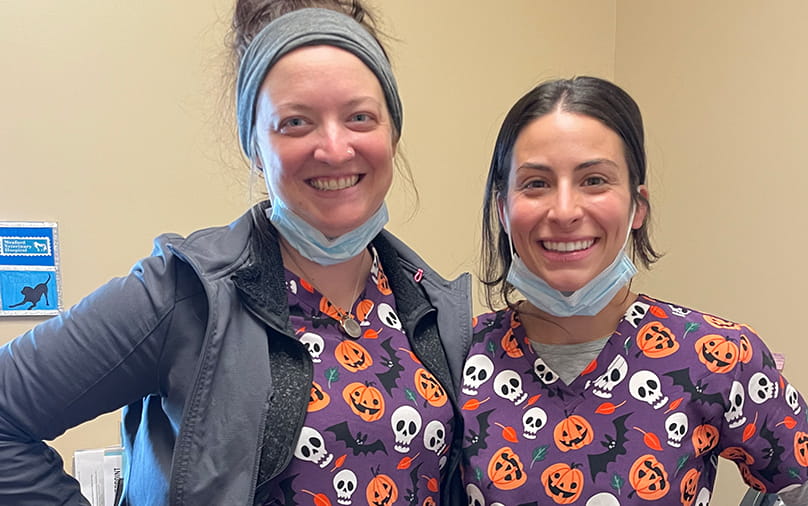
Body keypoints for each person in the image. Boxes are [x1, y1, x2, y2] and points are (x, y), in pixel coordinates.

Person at [0, 1, 471, 504]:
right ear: (254, 143)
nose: (334, 149)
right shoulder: (184, 295)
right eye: (295, 122)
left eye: (359, 117)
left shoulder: (436, 311)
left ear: (392, 132)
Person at [460, 76, 808, 505]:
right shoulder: (458, 354)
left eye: (594, 180)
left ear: (637, 207)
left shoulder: (716, 356)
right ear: (503, 208)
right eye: (536, 183)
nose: (564, 211)